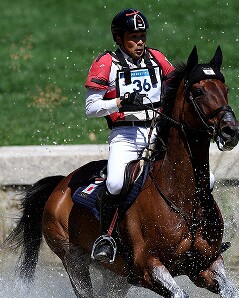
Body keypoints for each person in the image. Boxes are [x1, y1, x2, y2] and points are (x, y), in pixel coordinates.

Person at [84, 8, 175, 263]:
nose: (140, 42)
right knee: (114, 183)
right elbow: (90, 108)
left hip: (157, 131)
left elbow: (176, 87)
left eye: (142, 36)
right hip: (125, 134)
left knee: (204, 177)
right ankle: (107, 238)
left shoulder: (156, 58)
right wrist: (119, 103)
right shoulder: (106, 63)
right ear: (119, 39)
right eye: (133, 37)